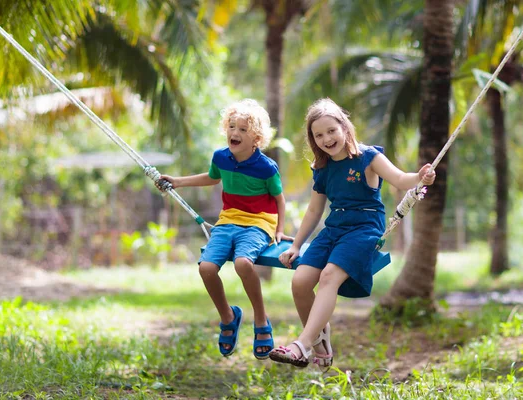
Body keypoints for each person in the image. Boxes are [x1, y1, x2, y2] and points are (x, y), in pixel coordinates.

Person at [268, 98, 436, 370]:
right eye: (318, 135)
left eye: (331, 130)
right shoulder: (322, 167)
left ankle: (302, 344)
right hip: (334, 228)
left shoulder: (369, 157)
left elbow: (401, 180)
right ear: (313, 140)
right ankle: (321, 342)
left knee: (328, 276)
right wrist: (296, 245)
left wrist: (420, 177)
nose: (326, 138)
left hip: (364, 229)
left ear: (344, 127)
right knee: (300, 282)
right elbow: (313, 211)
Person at [160, 99, 293, 359]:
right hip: (228, 220)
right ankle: (228, 317)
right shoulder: (221, 157)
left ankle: (261, 320)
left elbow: (279, 199)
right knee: (206, 268)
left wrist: (279, 229)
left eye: (243, 130)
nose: (235, 133)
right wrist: (177, 182)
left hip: (258, 222)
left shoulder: (266, 167)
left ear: (256, 138)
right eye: (232, 127)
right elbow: (212, 177)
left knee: (244, 264)